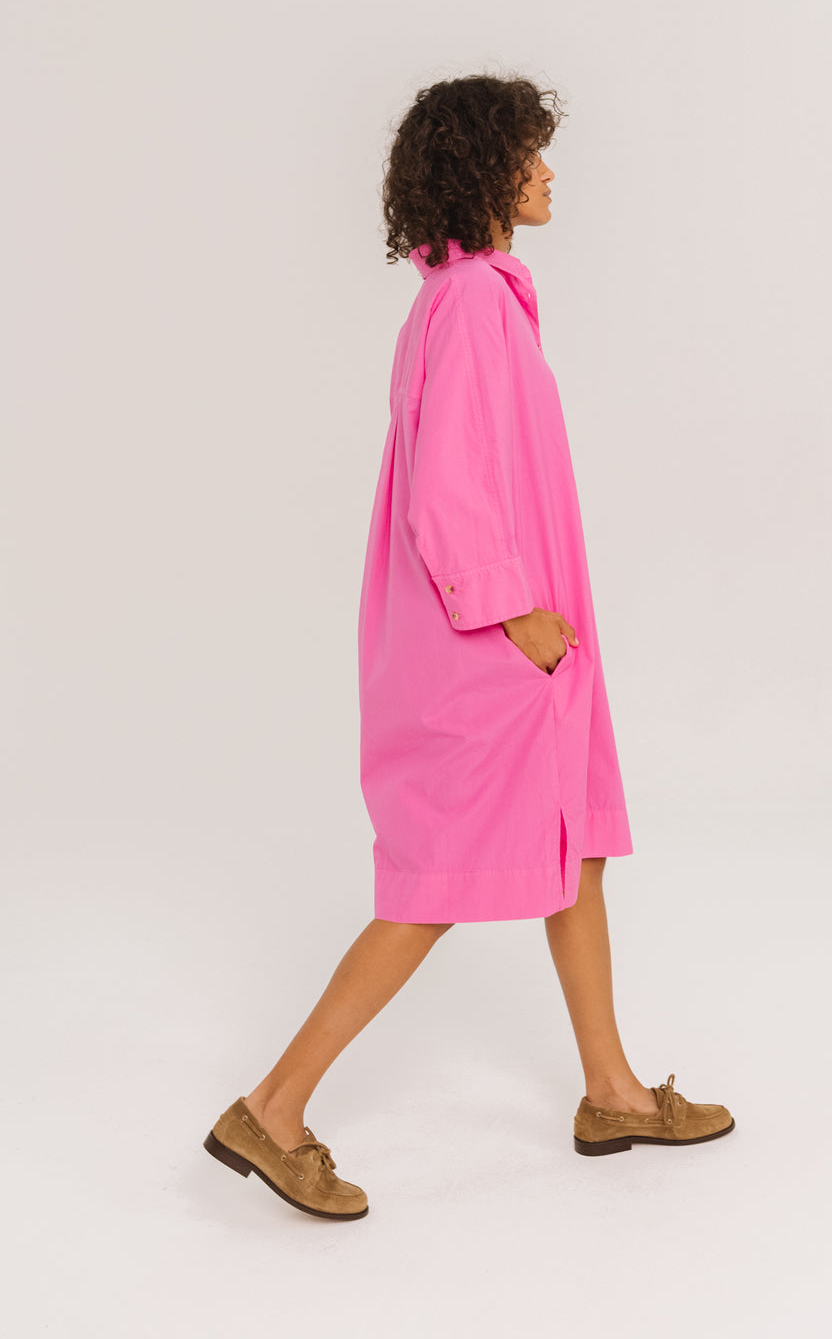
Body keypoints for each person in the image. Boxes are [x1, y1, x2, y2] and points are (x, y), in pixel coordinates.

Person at [203, 73, 734, 1221]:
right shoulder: (475, 302)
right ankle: (273, 1109)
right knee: (436, 882)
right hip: (490, 647)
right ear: (487, 169)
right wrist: (515, 614)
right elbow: (448, 488)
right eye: (531, 153)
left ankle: (612, 1093)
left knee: (574, 845)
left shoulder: (465, 297)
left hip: (518, 645)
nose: (548, 172)